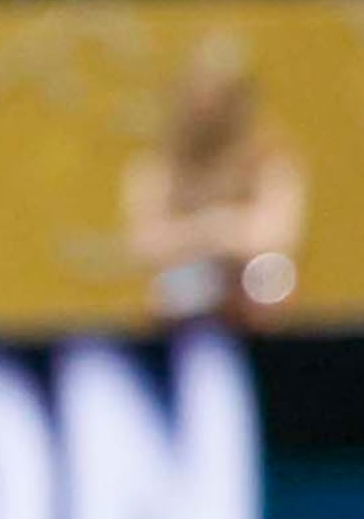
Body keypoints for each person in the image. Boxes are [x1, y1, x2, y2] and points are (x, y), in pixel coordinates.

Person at [125, 36, 306, 330]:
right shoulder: (159, 163)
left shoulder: (270, 158)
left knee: (272, 280)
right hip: (185, 281)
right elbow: (148, 243)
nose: (207, 109)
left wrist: (211, 234)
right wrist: (216, 231)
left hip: (253, 282)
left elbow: (275, 236)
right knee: (170, 290)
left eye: (219, 98)